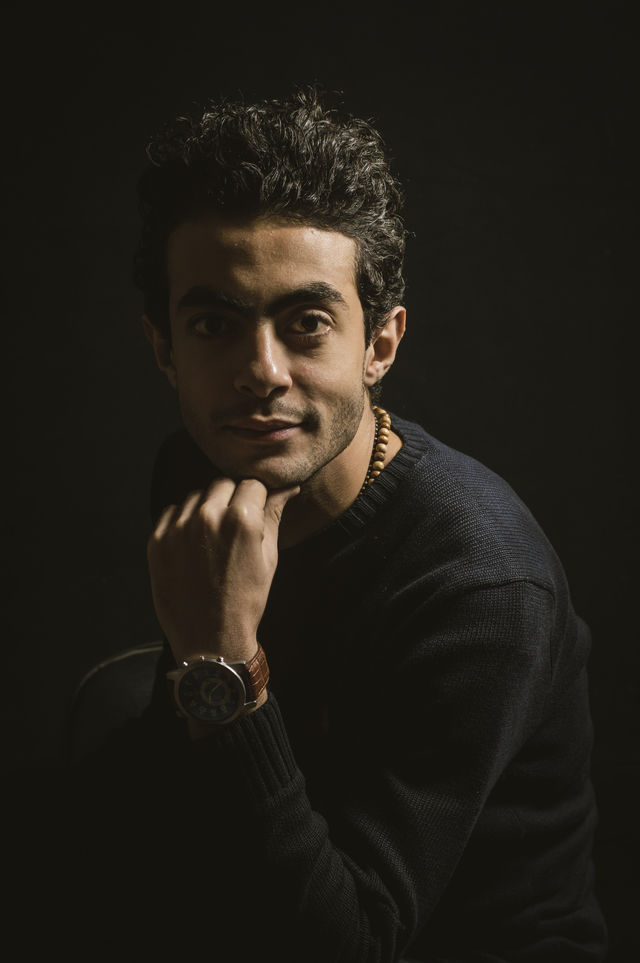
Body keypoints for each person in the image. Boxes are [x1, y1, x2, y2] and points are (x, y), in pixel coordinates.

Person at [37, 88, 608, 961]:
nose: (261, 372)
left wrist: (223, 654)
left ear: (379, 344)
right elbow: (181, 776)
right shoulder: (201, 468)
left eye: (306, 323)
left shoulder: (484, 584)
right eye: (214, 325)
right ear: (164, 348)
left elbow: (352, 942)